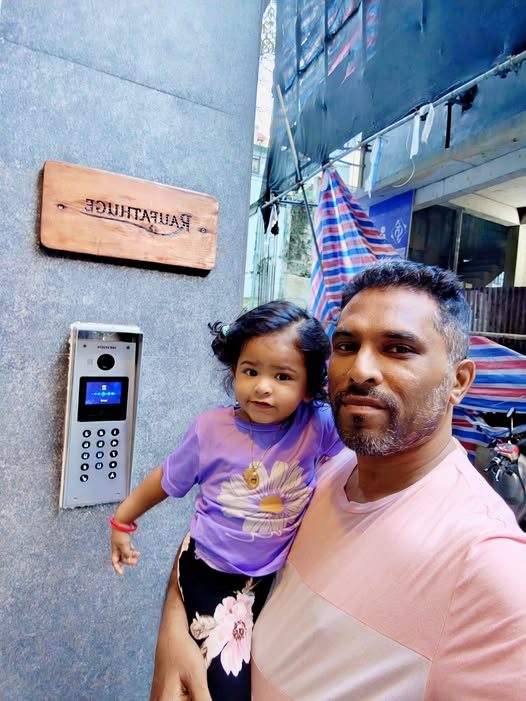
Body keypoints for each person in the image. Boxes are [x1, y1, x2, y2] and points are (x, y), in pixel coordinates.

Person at [150, 260, 526, 701]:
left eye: (398, 348)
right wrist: (176, 629)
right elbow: (216, 533)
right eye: (346, 345)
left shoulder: (487, 564)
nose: (360, 369)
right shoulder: (321, 467)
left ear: (458, 381)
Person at [109, 300, 342, 701]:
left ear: (308, 388)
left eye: (282, 376)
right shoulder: (211, 429)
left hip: (271, 578)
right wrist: (122, 521)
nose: (262, 386)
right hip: (209, 571)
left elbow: (357, 461)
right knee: (224, 688)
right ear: (234, 370)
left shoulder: (317, 424)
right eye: (250, 371)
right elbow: (166, 478)